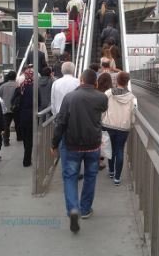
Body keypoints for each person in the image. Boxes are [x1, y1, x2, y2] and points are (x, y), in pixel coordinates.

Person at [51, 69, 108, 232]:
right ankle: (85, 209)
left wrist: (54, 143)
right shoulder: (102, 98)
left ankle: (73, 208)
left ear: (81, 80)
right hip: (93, 145)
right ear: (95, 82)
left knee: (70, 177)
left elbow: (61, 123)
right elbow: (102, 111)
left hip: (72, 145)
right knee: (91, 176)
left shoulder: (70, 98)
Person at [101, 72, 136, 186]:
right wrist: (132, 123)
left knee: (110, 149)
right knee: (119, 150)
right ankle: (117, 178)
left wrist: (102, 120)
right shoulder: (131, 97)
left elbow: (103, 109)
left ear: (117, 81)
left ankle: (111, 171)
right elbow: (133, 113)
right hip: (123, 127)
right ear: (127, 82)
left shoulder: (109, 93)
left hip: (109, 125)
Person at [14, 68, 42, 167]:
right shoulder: (35, 88)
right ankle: (27, 160)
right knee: (30, 138)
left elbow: (13, 100)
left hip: (22, 115)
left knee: (26, 138)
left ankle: (27, 156)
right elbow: (39, 102)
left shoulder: (20, 87)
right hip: (32, 116)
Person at [0, 71, 18, 146]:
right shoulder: (18, 85)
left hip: (6, 109)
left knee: (6, 125)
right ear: (15, 77)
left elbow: (0, 96)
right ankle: (19, 137)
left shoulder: (3, 86)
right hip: (16, 108)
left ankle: (6, 141)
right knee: (18, 124)